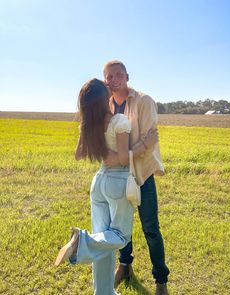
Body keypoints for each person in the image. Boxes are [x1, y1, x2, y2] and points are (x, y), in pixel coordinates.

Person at [55, 78, 156, 295]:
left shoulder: (88, 125)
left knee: (104, 245)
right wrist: (146, 144)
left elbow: (78, 154)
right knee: (120, 237)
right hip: (117, 183)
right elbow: (121, 158)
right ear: (105, 99)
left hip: (98, 183)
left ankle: (103, 292)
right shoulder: (118, 121)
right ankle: (82, 240)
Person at [103, 61, 170, 295]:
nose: (114, 79)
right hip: (118, 177)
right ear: (105, 80)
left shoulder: (144, 101)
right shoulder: (105, 106)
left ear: (127, 76)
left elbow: (150, 144)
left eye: (119, 74)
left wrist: (121, 156)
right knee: (122, 227)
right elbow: (106, 147)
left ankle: (161, 280)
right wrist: (127, 153)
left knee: (151, 229)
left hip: (142, 175)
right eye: (109, 76)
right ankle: (125, 266)